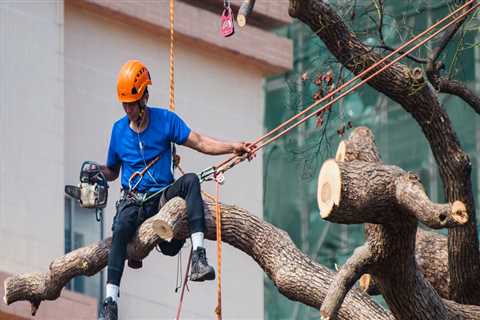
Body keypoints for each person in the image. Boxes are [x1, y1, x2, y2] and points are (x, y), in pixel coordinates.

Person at [98, 60, 251, 320]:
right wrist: (98, 171)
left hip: (162, 199)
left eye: (132, 103)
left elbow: (200, 142)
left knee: (190, 180)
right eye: (124, 104)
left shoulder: (165, 121)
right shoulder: (118, 130)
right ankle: (110, 302)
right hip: (134, 201)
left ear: (144, 97)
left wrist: (232, 146)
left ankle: (199, 258)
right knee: (121, 227)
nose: (128, 109)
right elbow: (112, 170)